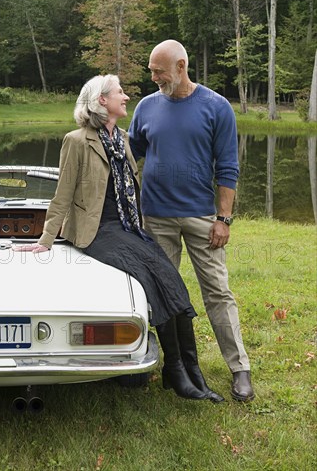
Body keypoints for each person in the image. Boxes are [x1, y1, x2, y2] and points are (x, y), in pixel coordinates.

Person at [13, 74, 224, 403]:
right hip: (98, 231)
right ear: (101, 101)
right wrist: (46, 239)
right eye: (119, 93)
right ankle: (177, 371)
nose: (126, 97)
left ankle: (189, 371)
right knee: (152, 282)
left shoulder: (122, 138)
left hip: (128, 227)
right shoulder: (77, 141)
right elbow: (62, 195)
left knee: (171, 281)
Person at [128, 40, 255, 402]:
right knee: (161, 294)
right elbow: (129, 156)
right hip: (156, 218)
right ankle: (171, 365)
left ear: (181, 66)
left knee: (217, 291)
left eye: (159, 71)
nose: (153, 78)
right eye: (152, 70)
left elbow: (228, 167)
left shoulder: (216, 108)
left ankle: (240, 368)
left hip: (202, 217)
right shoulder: (146, 107)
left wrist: (223, 218)